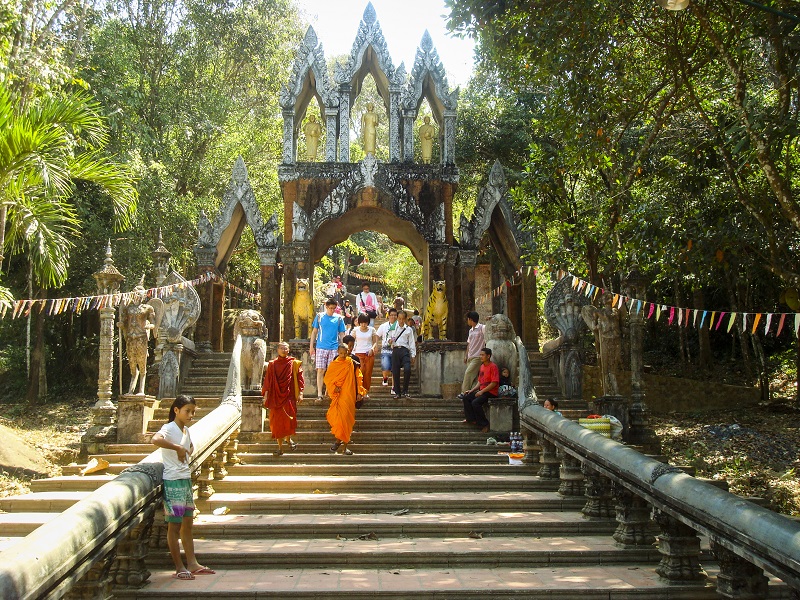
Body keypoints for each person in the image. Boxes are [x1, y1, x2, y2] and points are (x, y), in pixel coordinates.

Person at [151, 395, 215, 580]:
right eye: (187, 411)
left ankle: (192, 563)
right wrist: (176, 448)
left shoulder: (186, 430)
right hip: (173, 481)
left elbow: (190, 447)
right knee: (174, 525)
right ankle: (179, 567)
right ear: (176, 410)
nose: (191, 415)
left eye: (193, 412)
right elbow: (155, 440)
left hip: (185, 479)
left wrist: (185, 448)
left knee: (188, 523)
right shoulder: (169, 428)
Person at [262, 341, 304, 456]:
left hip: (289, 396)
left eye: (286, 348)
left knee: (289, 420)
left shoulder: (294, 363)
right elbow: (268, 381)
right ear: (277, 350)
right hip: (276, 397)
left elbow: (300, 378)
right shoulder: (272, 364)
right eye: (282, 348)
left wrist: (300, 393)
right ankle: (280, 448)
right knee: (277, 424)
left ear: (289, 350)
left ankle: (288, 439)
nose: (284, 350)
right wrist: (265, 395)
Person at [324, 344, 366, 455]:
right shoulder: (334, 364)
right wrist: (333, 387)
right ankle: (338, 441)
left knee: (347, 420)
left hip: (349, 395)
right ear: (338, 352)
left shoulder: (352, 363)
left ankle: (343, 446)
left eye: (345, 353)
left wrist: (360, 392)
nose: (343, 355)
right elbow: (328, 379)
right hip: (338, 395)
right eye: (341, 353)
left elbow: (358, 378)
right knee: (339, 420)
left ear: (349, 352)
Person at [310, 298, 346, 403]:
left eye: (334, 308)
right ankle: (320, 394)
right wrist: (312, 346)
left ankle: (329, 391)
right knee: (320, 370)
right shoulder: (320, 316)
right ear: (326, 307)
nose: (332, 310)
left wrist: (344, 345)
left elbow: (342, 334)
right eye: (330, 308)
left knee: (331, 372)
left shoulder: (339, 318)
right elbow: (314, 332)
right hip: (321, 347)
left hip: (334, 347)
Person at [461, 348, 499, 433]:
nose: (480, 357)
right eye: (480, 355)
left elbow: (494, 383)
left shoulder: (493, 367)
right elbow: (480, 381)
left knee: (475, 403)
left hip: (491, 392)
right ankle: (471, 419)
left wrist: (482, 391)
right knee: (466, 397)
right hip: (482, 391)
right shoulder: (482, 366)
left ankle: (484, 424)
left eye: (483, 355)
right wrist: (472, 390)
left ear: (488, 356)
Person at [390, 310, 417, 399]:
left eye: (403, 319)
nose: (401, 321)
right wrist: (389, 341)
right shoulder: (393, 328)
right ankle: (397, 392)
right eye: (399, 319)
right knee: (395, 372)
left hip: (405, 351)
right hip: (395, 350)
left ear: (405, 319)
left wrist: (413, 354)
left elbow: (412, 342)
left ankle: (405, 390)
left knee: (408, 369)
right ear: (397, 318)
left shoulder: (408, 329)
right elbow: (388, 338)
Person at [351, 313, 378, 394]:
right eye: (362, 322)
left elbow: (375, 342)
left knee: (368, 373)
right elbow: (351, 341)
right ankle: (359, 391)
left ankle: (366, 391)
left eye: (365, 323)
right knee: (360, 372)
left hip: (369, 353)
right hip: (358, 353)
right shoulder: (355, 330)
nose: (363, 324)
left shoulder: (372, 329)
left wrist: (372, 349)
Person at [461, 311, 485, 395]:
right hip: (470, 356)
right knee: (474, 377)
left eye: (468, 319)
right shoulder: (470, 331)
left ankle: (464, 392)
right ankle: (471, 393)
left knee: (468, 373)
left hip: (478, 356)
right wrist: (466, 355)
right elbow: (469, 344)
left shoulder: (482, 327)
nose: (467, 321)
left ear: (471, 319)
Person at [375, 307, 399, 388]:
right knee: (385, 365)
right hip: (385, 349)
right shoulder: (383, 326)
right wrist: (377, 345)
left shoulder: (400, 326)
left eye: (395, 315)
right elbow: (377, 335)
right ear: (388, 316)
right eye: (391, 315)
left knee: (394, 369)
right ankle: (385, 378)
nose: (393, 317)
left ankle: (394, 387)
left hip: (396, 349)